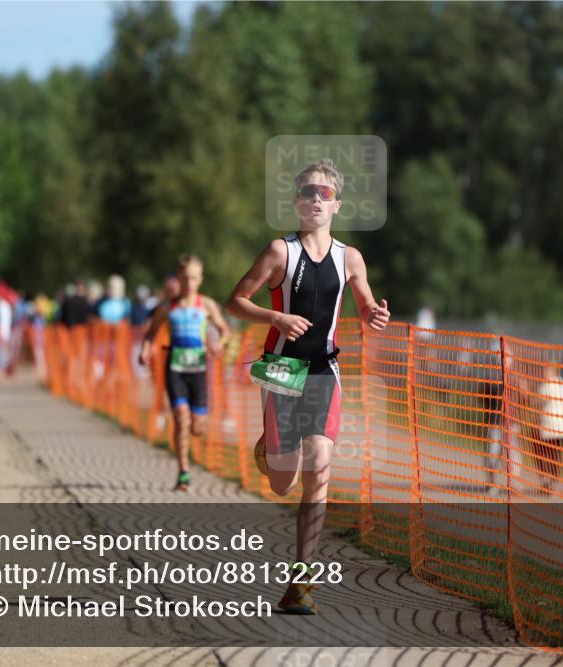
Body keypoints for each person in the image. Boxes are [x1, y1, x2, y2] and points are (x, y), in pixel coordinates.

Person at [225, 158, 390, 614]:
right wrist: (274, 316)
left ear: (337, 203)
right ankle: (273, 447)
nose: (316, 199)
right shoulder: (279, 252)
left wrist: (375, 315)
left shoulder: (350, 258)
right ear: (296, 203)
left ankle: (303, 581)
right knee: (283, 481)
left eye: (324, 193)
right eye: (307, 192)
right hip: (280, 368)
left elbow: (365, 304)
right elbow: (235, 300)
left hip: (322, 369)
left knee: (320, 465)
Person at [139, 255, 232, 492]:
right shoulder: (166, 307)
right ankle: (183, 473)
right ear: (178, 278)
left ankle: (192, 441)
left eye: (193, 278)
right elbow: (150, 334)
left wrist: (220, 344)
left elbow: (225, 331)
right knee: (181, 417)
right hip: (175, 368)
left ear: (200, 279)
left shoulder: (207, 305)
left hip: (198, 370)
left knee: (197, 427)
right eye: (184, 278)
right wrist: (146, 350)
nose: (189, 283)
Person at [535, 363, 563, 495]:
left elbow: (537, 404)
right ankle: (551, 481)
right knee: (555, 456)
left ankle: (547, 482)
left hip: (548, 426)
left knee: (544, 454)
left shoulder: (546, 386)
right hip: (562, 428)